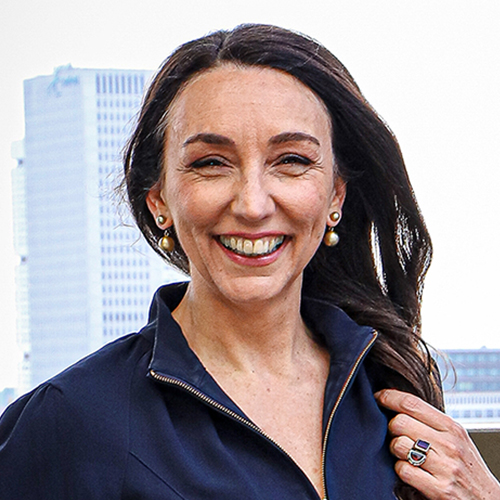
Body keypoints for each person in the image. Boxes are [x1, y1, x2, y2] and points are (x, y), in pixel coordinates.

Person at [0, 24, 498, 500]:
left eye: (292, 160)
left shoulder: (390, 381)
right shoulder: (71, 421)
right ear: (159, 200)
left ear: (335, 196)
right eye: (211, 163)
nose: (253, 204)